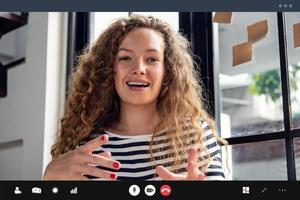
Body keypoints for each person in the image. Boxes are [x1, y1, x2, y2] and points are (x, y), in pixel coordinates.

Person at [43, 14, 227, 181]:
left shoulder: (195, 135)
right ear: (109, 69)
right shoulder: (85, 146)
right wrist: (50, 177)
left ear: (167, 71)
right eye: (125, 58)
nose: (138, 68)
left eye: (151, 59)